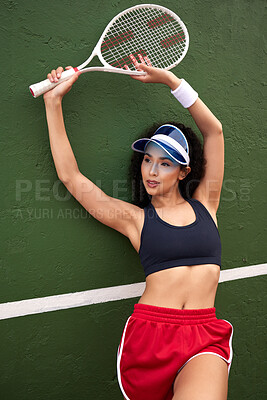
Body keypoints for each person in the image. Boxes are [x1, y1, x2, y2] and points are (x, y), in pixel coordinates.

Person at [43, 55, 234, 400]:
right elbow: (70, 176)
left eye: (165, 163)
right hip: (151, 335)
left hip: (204, 334)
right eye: (148, 159)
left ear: (184, 172)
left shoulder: (207, 202)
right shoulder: (135, 219)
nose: (152, 170)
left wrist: (171, 82)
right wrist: (53, 103)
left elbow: (214, 131)